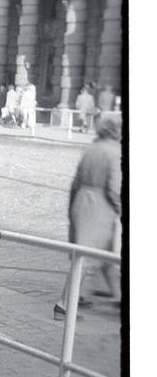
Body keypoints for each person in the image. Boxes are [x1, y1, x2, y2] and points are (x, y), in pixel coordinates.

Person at [54, 116, 122, 319]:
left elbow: (75, 182)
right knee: (86, 258)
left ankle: (114, 295)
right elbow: (114, 188)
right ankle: (63, 305)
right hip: (100, 207)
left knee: (104, 254)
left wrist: (72, 207)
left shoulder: (91, 149)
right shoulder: (115, 153)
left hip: (82, 201)